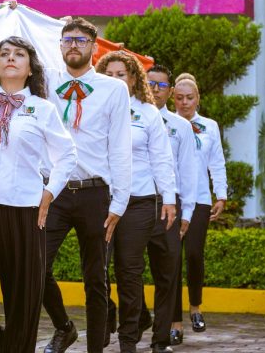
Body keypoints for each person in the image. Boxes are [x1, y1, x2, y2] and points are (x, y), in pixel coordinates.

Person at [0, 36, 77, 353]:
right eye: (4, 54)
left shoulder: (43, 109)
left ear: (30, 68)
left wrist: (50, 192)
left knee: (22, 298)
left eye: (19, 54)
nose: (11, 58)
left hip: (25, 210)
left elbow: (67, 155)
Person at [43, 18, 132, 353]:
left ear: (94, 47)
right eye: (67, 39)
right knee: (36, 267)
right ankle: (64, 327)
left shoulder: (114, 90)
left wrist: (119, 202)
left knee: (96, 280)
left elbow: (120, 147)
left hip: (95, 193)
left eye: (80, 40)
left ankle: (96, 348)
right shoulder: (46, 81)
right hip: (54, 192)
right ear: (60, 45)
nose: (73, 45)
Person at [96, 53, 177, 353]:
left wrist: (168, 198)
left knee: (128, 270)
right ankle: (110, 317)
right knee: (98, 268)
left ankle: (127, 339)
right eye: (109, 74)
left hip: (139, 201)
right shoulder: (92, 108)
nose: (115, 80)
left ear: (133, 79)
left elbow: (161, 157)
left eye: (121, 74)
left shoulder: (147, 112)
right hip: (101, 200)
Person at [139, 65, 198, 348]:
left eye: (162, 85)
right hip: (135, 202)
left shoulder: (180, 126)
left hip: (168, 205)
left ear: (170, 91)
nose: (155, 89)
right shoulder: (129, 117)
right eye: (150, 83)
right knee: (128, 269)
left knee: (167, 273)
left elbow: (188, 172)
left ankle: (161, 338)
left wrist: (187, 212)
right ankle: (139, 316)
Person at [171, 72, 227, 343]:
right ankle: (174, 322)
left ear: (198, 99)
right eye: (180, 98)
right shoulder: (165, 124)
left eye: (189, 98)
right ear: (173, 98)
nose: (184, 103)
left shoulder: (210, 126)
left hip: (201, 200)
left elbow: (217, 162)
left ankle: (195, 307)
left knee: (194, 254)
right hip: (172, 200)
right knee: (171, 260)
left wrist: (221, 195)